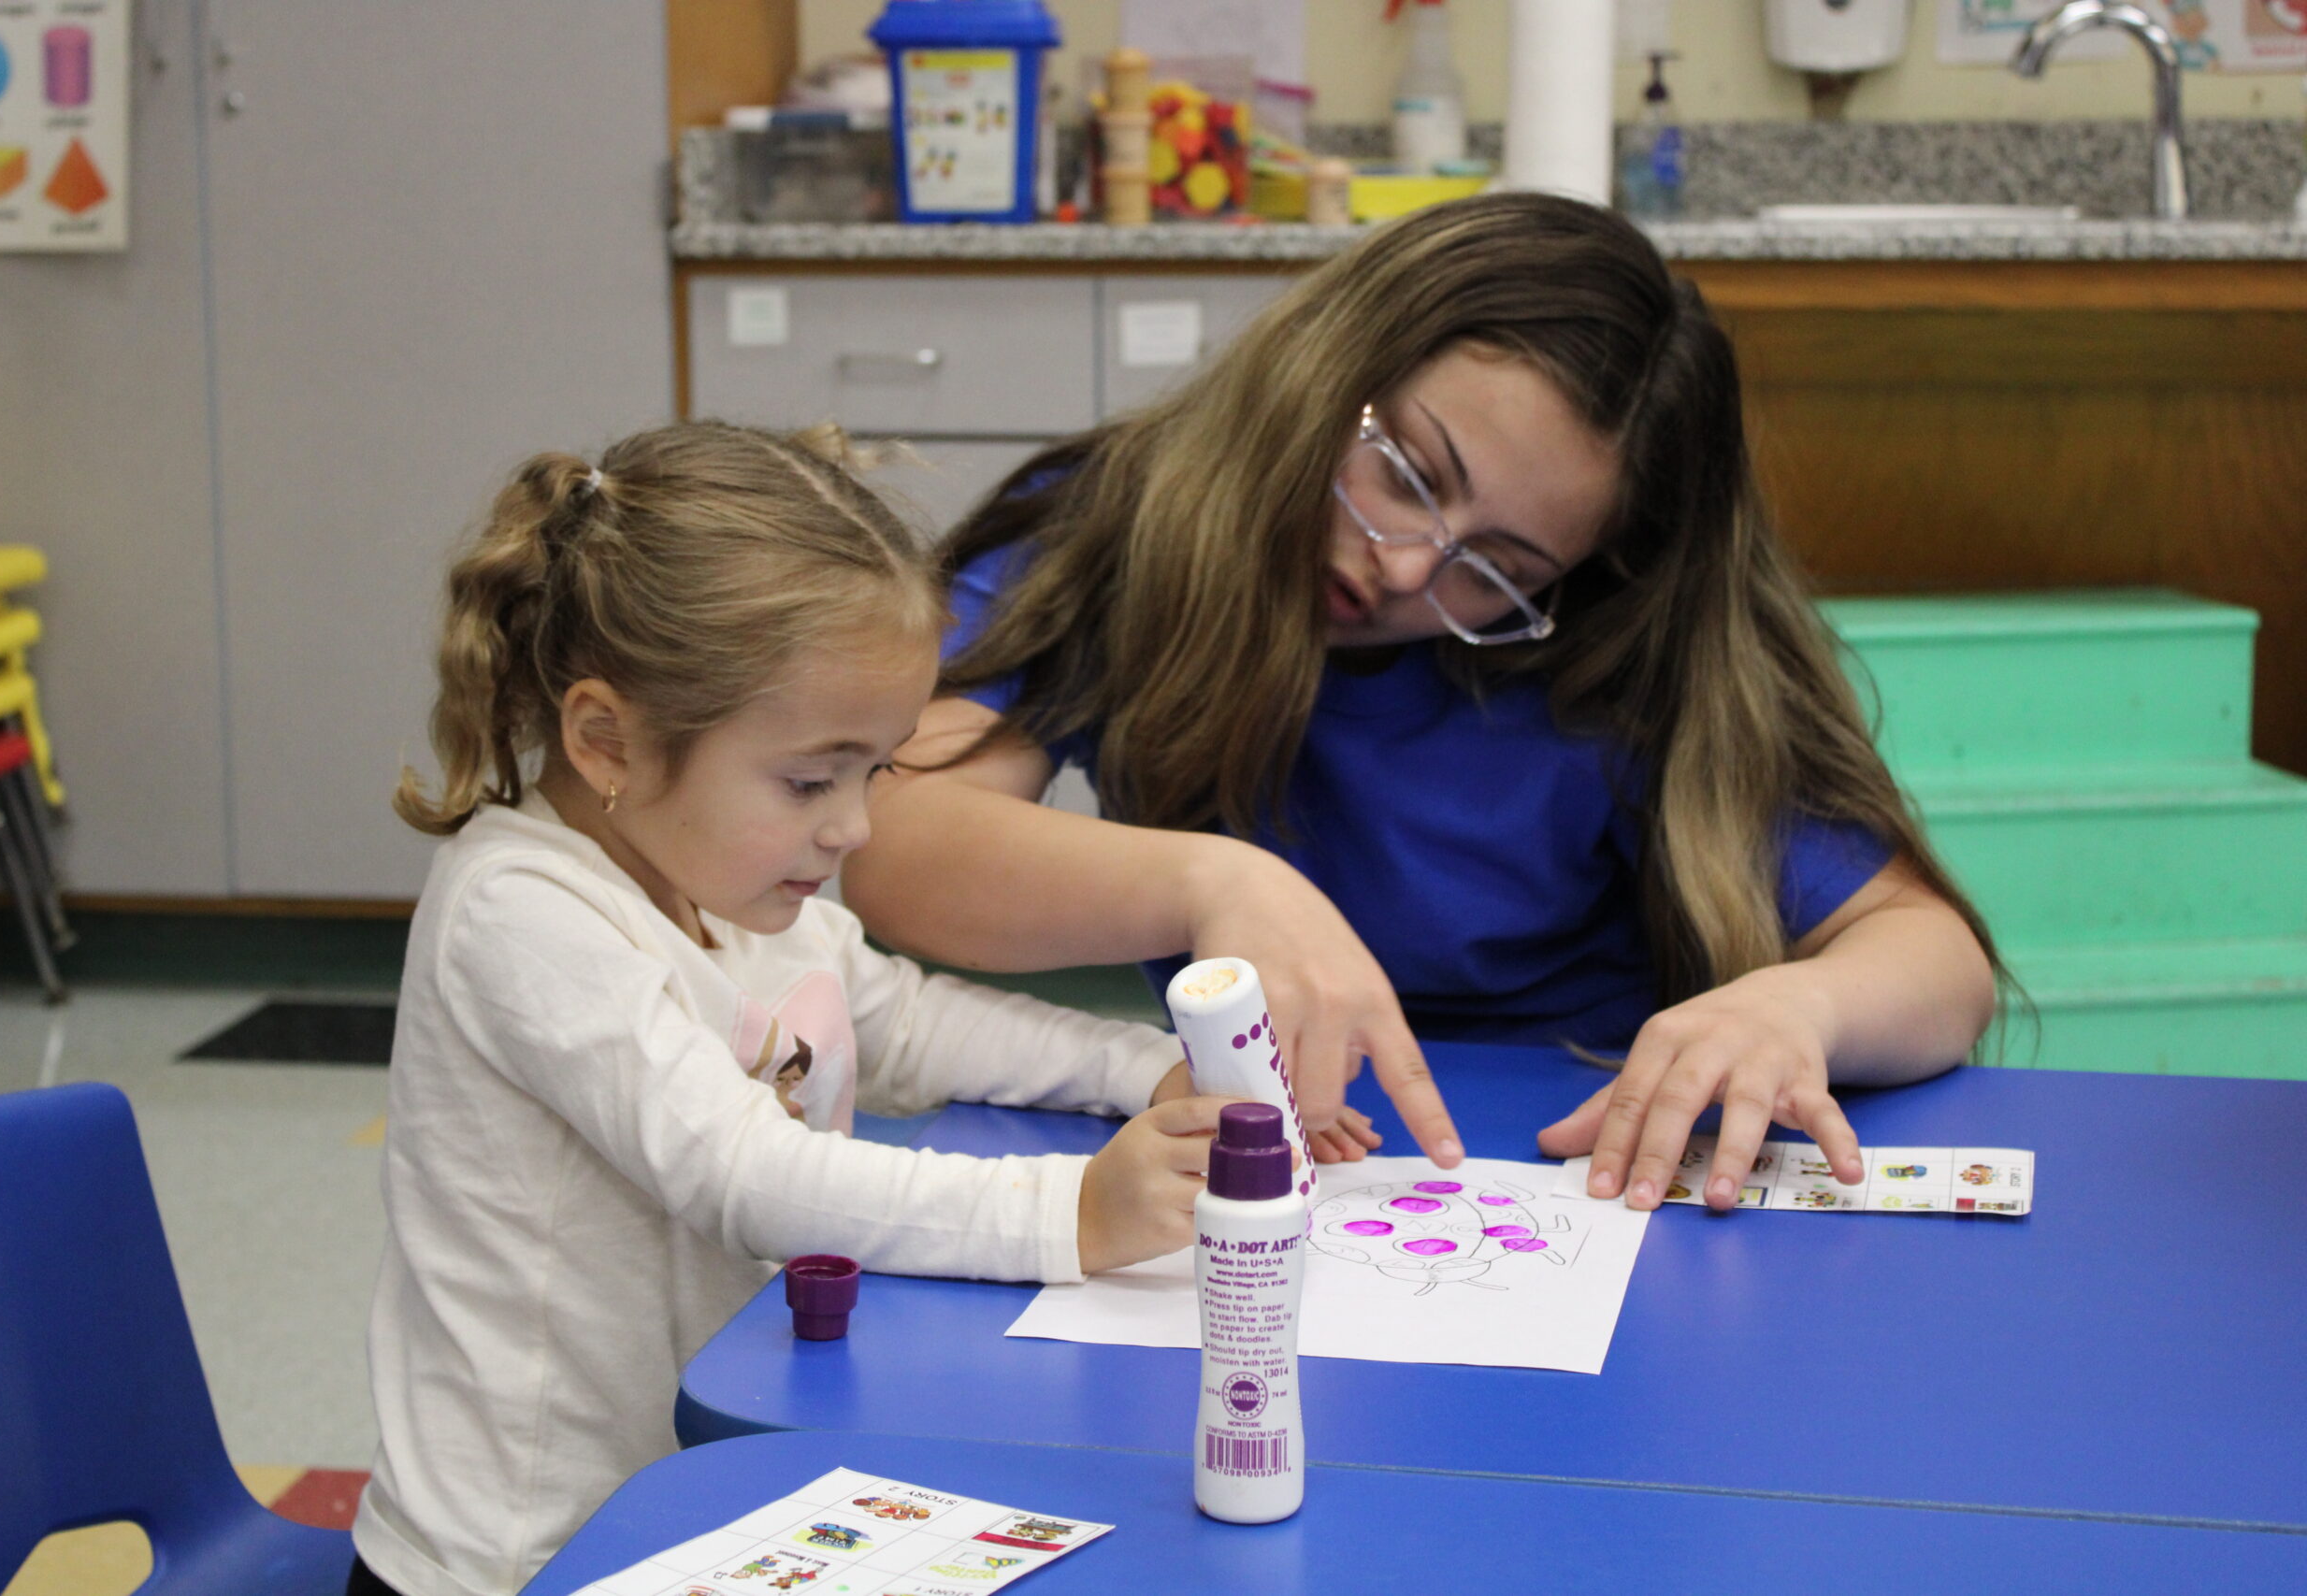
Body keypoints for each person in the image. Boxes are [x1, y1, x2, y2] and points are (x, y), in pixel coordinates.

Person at [843, 194, 1999, 1219]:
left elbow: (1934, 960)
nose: (1405, 567)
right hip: (1283, 1167)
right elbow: (887, 831)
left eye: (1497, 566)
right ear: (1324, 362)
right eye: (1405, 472)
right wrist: (1215, 882)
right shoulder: (1104, 529)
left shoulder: (1621, 654)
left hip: (1591, 1174)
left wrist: (1796, 1008)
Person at [352, 422, 1229, 1596]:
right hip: (521, 1563)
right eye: (812, 779)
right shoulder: (522, 911)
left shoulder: (744, 888)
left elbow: (908, 1023)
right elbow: (749, 1177)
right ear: (606, 738)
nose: (853, 826)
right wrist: (1071, 1212)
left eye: (875, 771)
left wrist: (1144, 1071)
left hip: (700, 1501)